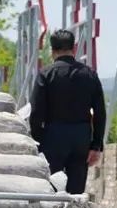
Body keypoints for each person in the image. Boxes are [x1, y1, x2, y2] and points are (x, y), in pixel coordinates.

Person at [28, 29, 106, 195]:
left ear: (52, 50)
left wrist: (38, 140)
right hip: (81, 137)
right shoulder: (90, 75)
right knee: (76, 193)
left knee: (51, 189)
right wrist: (96, 145)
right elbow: (100, 112)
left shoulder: (46, 74)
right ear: (74, 48)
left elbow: (35, 113)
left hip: (52, 136)